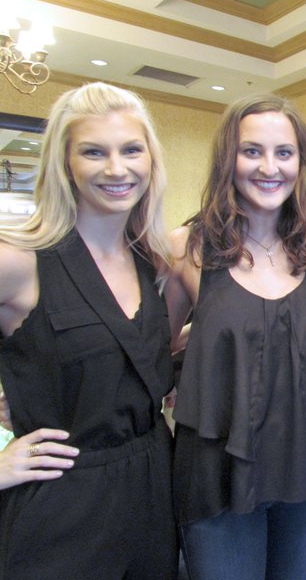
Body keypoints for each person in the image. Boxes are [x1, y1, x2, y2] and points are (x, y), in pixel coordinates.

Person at [165, 93, 306, 580]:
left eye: (284, 152)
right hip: (218, 469)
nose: (268, 167)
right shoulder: (186, 247)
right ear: (227, 159)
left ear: (301, 161)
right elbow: (155, 351)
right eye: (251, 151)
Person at [0, 82, 178, 578]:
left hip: (152, 493)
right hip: (62, 501)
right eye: (94, 152)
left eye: (131, 150)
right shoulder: (18, 261)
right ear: (65, 163)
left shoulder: (153, 261)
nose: (117, 169)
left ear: (151, 161)